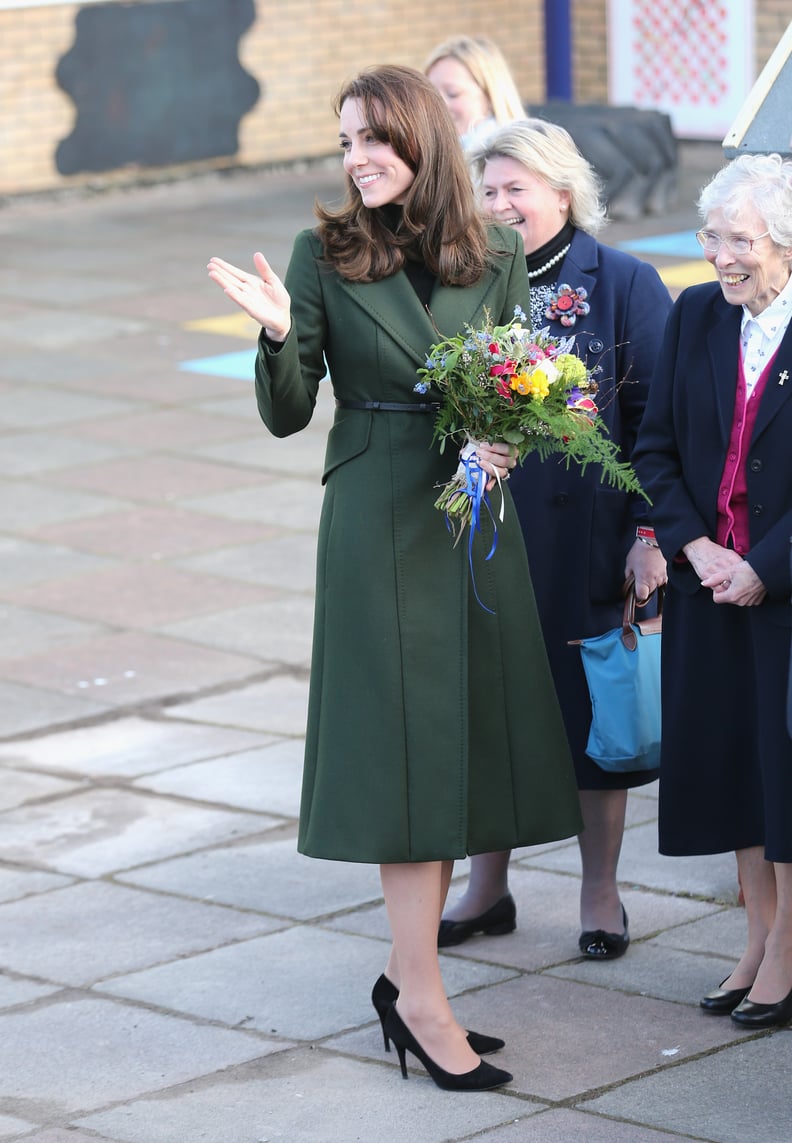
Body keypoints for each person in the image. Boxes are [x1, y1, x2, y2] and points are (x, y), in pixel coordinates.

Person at [208, 66, 582, 1090]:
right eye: (343, 143)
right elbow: (291, 411)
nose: (356, 159)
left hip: (470, 520)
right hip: (377, 518)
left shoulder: (499, 250)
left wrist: (509, 437)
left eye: (373, 139)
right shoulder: (322, 252)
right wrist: (281, 332)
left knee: (454, 752)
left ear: (423, 143)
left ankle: (405, 978)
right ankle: (420, 997)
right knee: (405, 759)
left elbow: (513, 379)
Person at [438, 119, 670, 957]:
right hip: (491, 538)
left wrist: (651, 532)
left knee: (592, 724)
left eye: (516, 190)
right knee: (489, 718)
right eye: (489, 191)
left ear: (562, 193)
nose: (501, 206)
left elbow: (657, 425)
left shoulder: (624, 283)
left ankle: (600, 893)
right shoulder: (459, 280)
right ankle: (487, 885)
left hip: (589, 542)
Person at [633, 151, 792, 1028]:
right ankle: (758, 939)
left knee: (785, 773)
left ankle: (791, 952)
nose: (720, 255)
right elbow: (653, 445)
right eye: (711, 235)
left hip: (784, 594)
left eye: (742, 238)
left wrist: (764, 565)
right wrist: (694, 545)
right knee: (734, 768)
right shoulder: (696, 313)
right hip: (707, 586)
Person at [424, 35, 524, 149]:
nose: (437, 105)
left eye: (453, 94)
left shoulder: (509, 158)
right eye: (430, 94)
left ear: (490, 97)